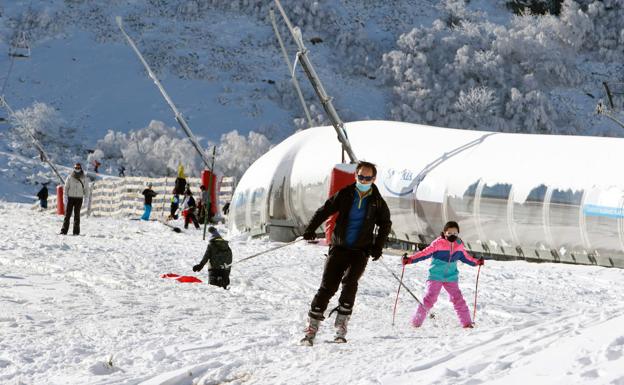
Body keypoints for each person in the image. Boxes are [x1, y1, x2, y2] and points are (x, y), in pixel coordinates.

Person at [300, 161, 392, 345]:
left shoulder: (377, 201)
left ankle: (341, 325)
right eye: (361, 176)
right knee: (328, 286)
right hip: (339, 247)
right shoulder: (345, 194)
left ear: (374, 179)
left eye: (368, 177)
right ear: (355, 176)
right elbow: (325, 210)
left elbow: (385, 224)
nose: (364, 180)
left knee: (350, 284)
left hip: (361, 250)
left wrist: (377, 246)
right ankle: (312, 328)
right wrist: (310, 229)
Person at [402, 221, 484, 328]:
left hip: (451, 277)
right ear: (444, 233)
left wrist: (477, 262)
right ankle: (416, 322)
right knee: (430, 298)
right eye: (449, 233)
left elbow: (466, 257)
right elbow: (424, 253)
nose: (452, 235)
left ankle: (467, 323)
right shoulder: (438, 243)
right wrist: (410, 260)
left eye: (455, 233)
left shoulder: (459, 245)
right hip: (436, 275)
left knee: (458, 299)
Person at [60, 163, 89, 235]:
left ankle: (76, 232)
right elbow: (66, 187)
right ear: (74, 168)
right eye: (76, 167)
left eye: (78, 167)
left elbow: (86, 189)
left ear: (81, 168)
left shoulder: (84, 178)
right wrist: (65, 196)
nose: (77, 169)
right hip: (70, 198)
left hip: (79, 198)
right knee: (67, 215)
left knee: (77, 215)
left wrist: (86, 198)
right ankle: (64, 231)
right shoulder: (70, 177)